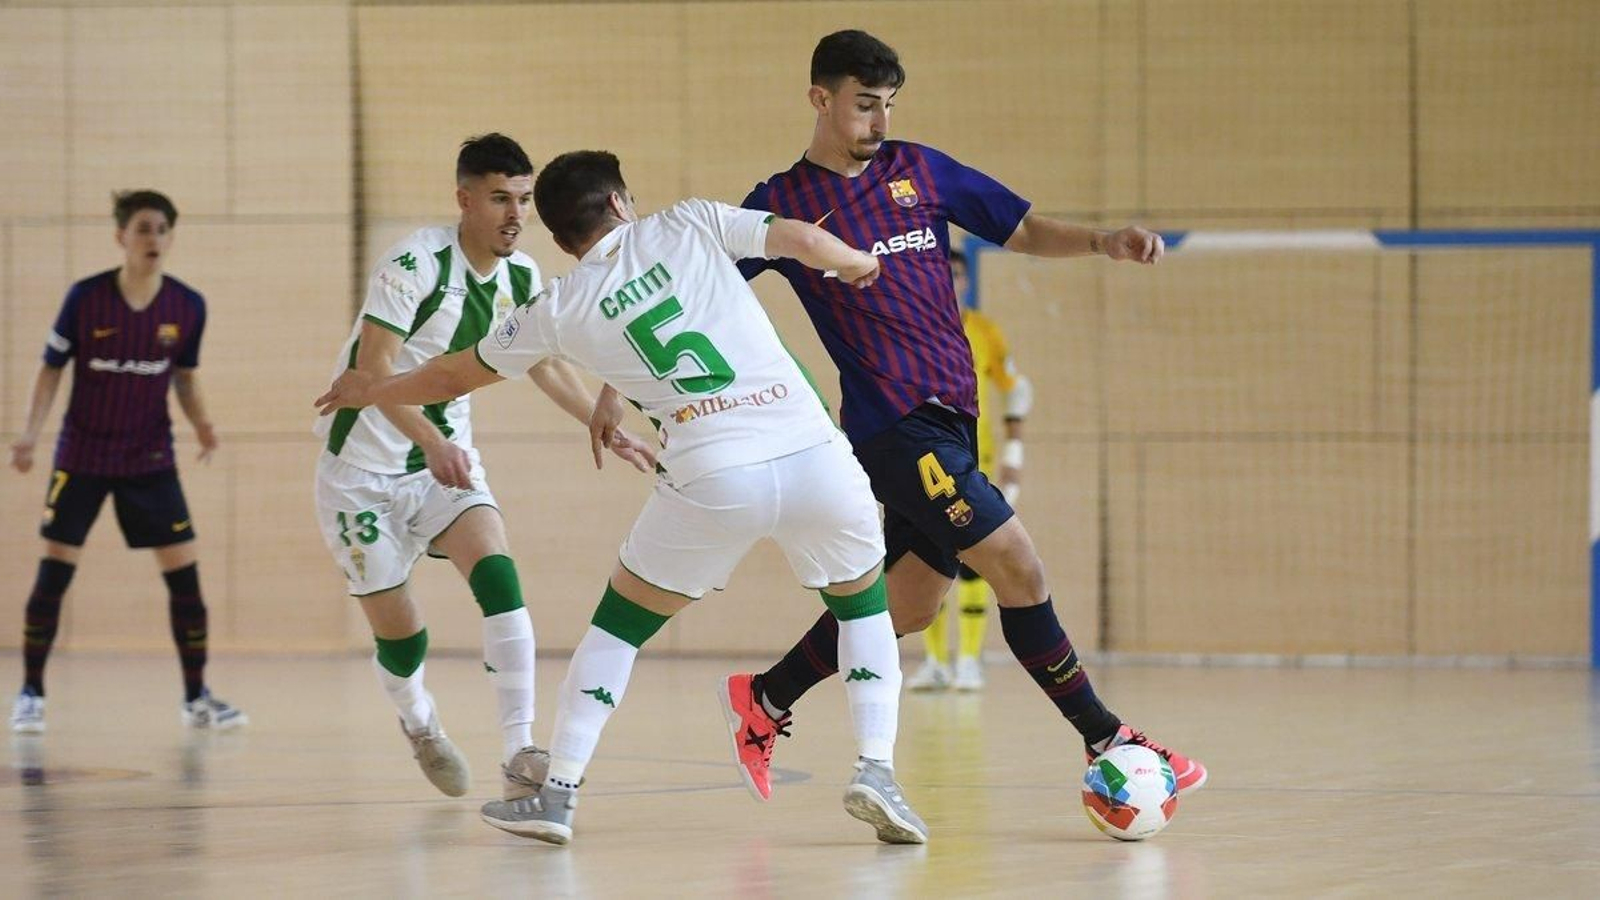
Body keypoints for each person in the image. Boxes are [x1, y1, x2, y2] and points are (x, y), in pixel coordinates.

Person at [315, 150, 928, 846]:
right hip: (814, 456)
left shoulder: (558, 304)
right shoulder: (691, 222)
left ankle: (560, 791)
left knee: (618, 630)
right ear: (620, 201)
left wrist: (376, 388)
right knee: (862, 606)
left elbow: (457, 372)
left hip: (712, 470)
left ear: (558, 234)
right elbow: (798, 238)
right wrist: (852, 261)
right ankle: (876, 769)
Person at [722, 30, 1207, 798]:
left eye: (887, 106)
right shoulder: (779, 205)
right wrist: (630, 384)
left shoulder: (920, 168)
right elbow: (699, 285)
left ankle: (766, 697)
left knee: (909, 602)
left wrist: (1103, 241)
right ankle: (1107, 738)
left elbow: (1019, 228)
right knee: (1018, 565)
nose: (878, 123)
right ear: (820, 99)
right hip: (894, 426)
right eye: (863, 106)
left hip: (955, 422)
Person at [312, 134, 653, 800]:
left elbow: (546, 364)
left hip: (445, 467)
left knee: (498, 573)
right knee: (402, 630)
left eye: (524, 199)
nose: (515, 214)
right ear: (464, 199)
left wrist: (601, 423)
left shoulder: (522, 278)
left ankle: (519, 748)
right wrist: (430, 441)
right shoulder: (414, 262)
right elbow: (373, 369)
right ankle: (419, 720)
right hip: (360, 473)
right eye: (500, 198)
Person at [9, 190, 245, 733]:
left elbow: (184, 377)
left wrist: (202, 423)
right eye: (143, 228)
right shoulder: (85, 298)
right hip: (83, 455)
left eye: (162, 229)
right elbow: (50, 369)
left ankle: (196, 698)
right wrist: (29, 433)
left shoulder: (187, 306)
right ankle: (30, 694)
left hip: (150, 458)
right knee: (54, 574)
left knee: (185, 579)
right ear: (121, 236)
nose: (153, 238)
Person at [907, 248, 1032, 693]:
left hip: (975, 461)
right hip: (924, 463)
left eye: (959, 274)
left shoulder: (983, 331)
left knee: (978, 559)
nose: (953, 281)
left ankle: (969, 661)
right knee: (927, 560)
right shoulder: (910, 327)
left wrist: (1013, 457)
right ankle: (937, 661)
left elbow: (1016, 391)